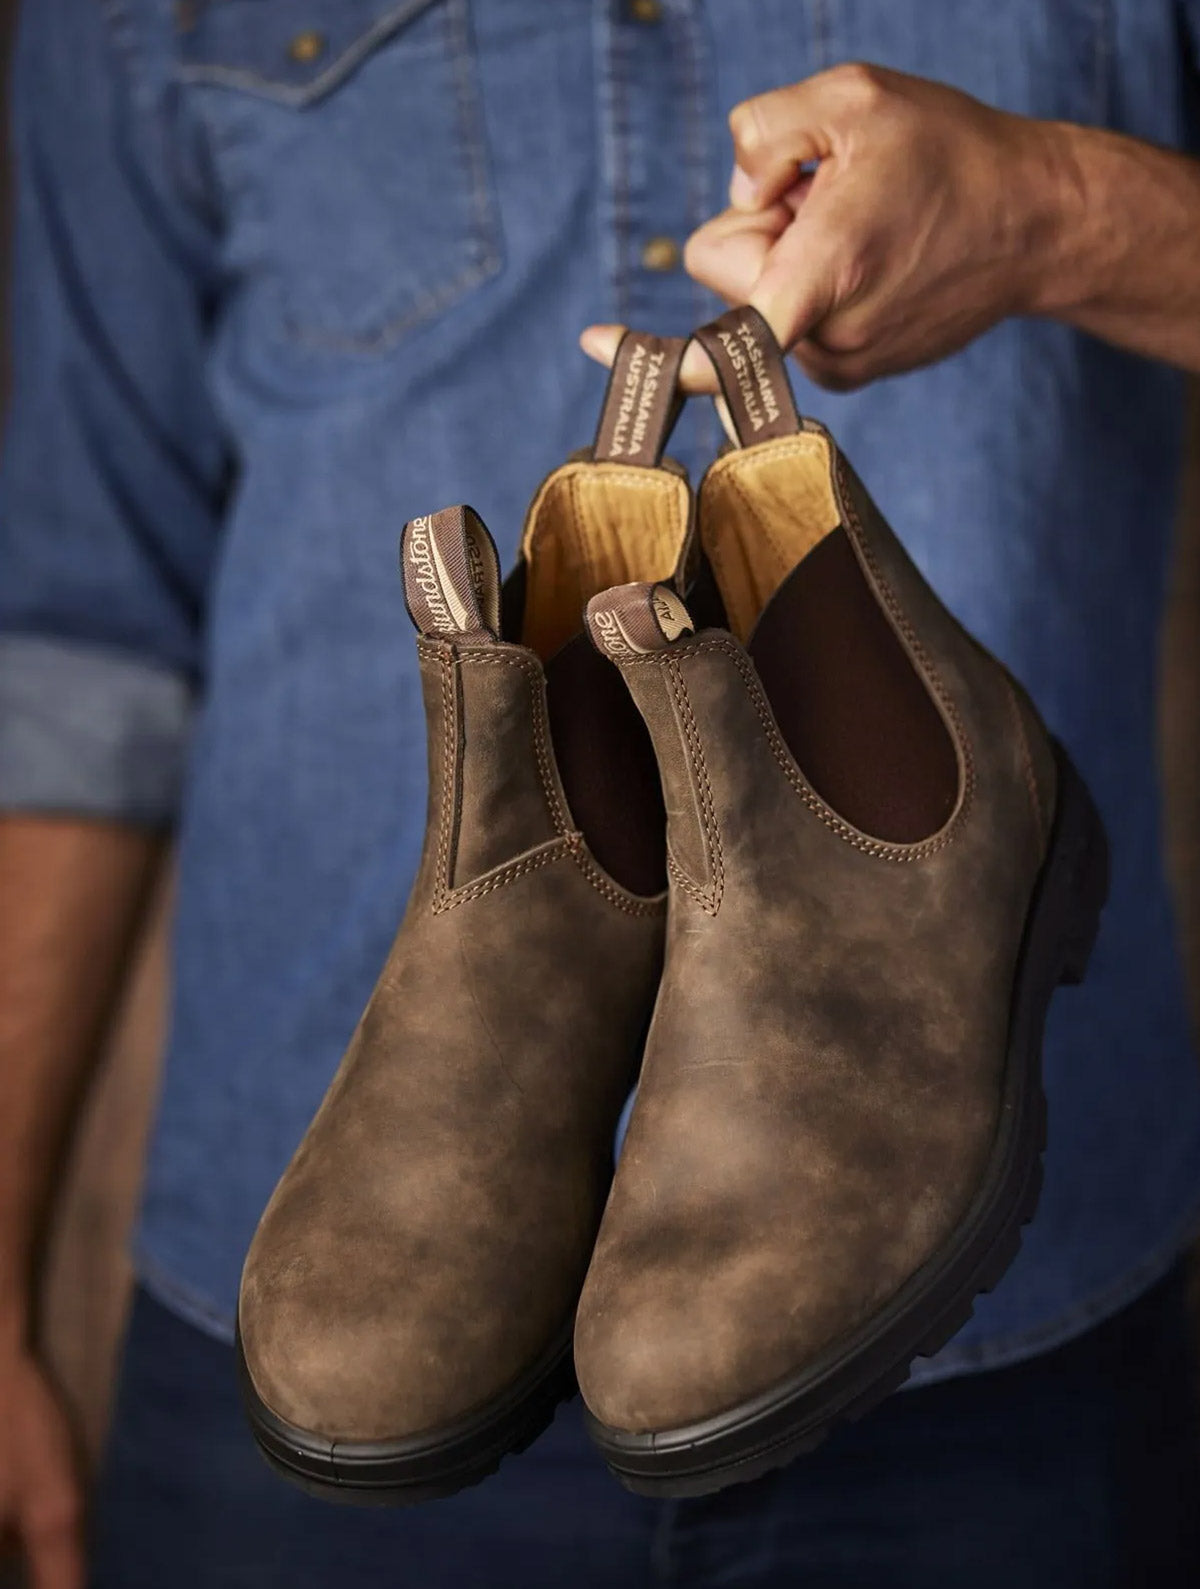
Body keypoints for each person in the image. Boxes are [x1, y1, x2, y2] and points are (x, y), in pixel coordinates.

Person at [2, 2, 1200, 1585]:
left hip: (1013, 1359)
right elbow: (78, 643)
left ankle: (945, 793)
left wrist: (1057, 208)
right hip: (294, 1283)